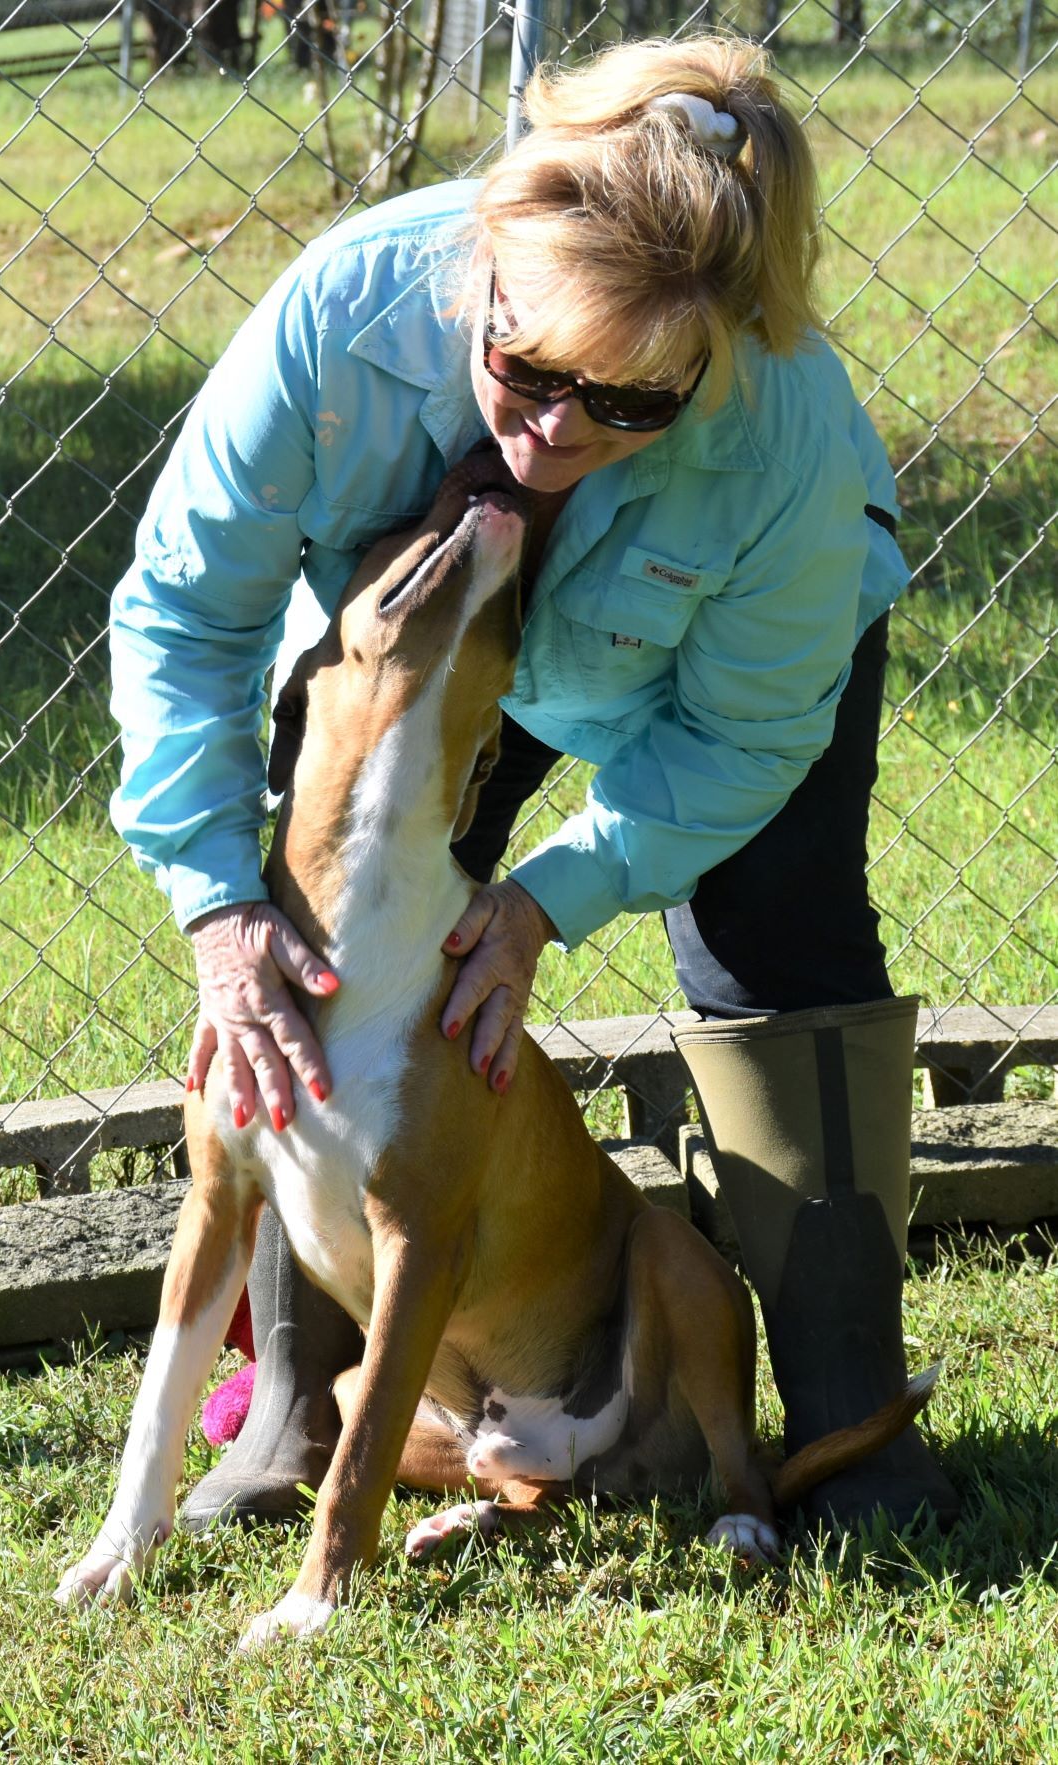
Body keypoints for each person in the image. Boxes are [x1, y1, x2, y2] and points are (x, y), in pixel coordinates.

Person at [109, 34, 958, 1535]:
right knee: (316, 960)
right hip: (437, 673)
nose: (556, 427)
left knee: (783, 932)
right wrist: (215, 897)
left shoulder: (788, 446)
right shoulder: (349, 308)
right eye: (521, 366)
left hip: (698, 675)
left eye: (628, 404)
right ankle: (304, 1407)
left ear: (715, 357)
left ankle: (843, 1405)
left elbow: (742, 745)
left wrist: (546, 898)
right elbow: (187, 609)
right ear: (486, 253)